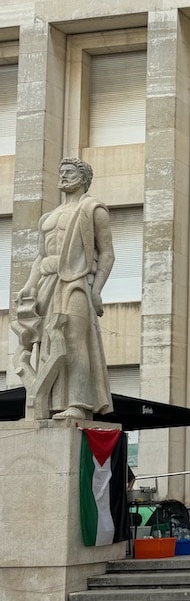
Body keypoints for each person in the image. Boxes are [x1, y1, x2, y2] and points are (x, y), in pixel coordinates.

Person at [10, 158, 116, 420]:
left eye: (69, 172)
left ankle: (78, 403)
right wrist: (28, 286)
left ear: (83, 178)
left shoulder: (93, 209)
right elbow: (39, 256)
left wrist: (97, 289)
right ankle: (47, 403)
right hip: (47, 282)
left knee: (73, 339)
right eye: (61, 172)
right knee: (46, 345)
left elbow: (107, 254)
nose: (63, 176)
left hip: (77, 281)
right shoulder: (48, 217)